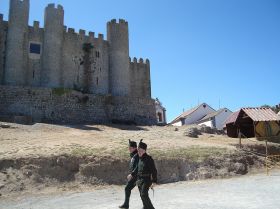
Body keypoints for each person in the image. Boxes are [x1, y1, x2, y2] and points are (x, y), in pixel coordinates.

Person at [132, 139, 157, 209]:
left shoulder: (149, 159)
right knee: (141, 195)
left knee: (144, 194)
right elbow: (137, 169)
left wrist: (154, 181)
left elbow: (154, 170)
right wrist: (133, 175)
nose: (139, 152)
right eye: (138, 150)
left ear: (144, 150)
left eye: (140, 150)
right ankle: (145, 207)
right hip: (140, 180)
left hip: (146, 180)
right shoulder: (139, 159)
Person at [119, 139, 139, 209]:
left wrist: (132, 174)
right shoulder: (134, 154)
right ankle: (126, 204)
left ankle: (126, 205)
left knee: (127, 188)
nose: (129, 149)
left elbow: (138, 167)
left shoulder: (137, 156)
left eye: (130, 148)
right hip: (134, 176)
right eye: (129, 147)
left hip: (136, 176)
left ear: (135, 148)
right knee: (127, 188)